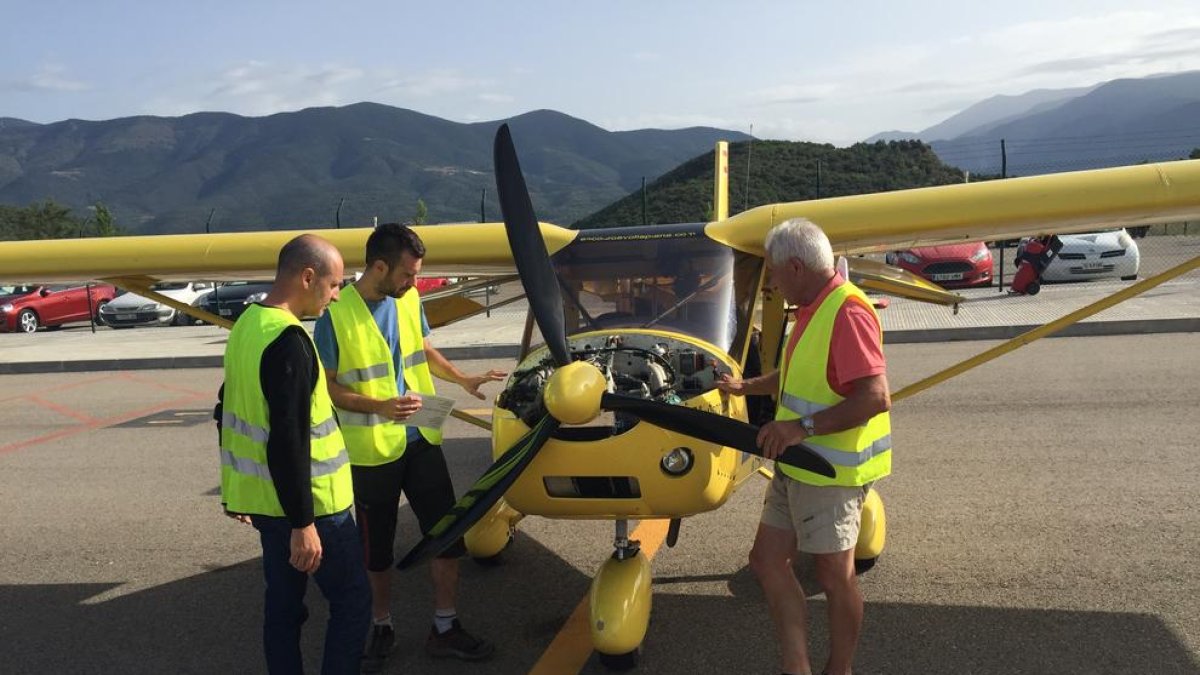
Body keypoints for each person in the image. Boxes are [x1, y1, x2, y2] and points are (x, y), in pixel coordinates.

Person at [313, 222, 506, 672]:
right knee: (375, 550)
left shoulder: (409, 300)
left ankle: (445, 626)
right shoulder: (336, 315)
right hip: (371, 451)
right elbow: (327, 386)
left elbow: (421, 349)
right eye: (407, 274)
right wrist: (380, 405)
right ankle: (381, 625)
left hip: (421, 436)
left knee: (446, 534)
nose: (413, 283)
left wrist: (462, 379)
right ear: (379, 266)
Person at [717, 218, 891, 675]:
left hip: (829, 469)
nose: (772, 283)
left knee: (836, 575)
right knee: (766, 561)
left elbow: (874, 395)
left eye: (773, 272)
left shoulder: (847, 311)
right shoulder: (814, 308)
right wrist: (746, 386)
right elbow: (796, 375)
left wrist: (800, 428)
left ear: (796, 266)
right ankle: (797, 666)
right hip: (796, 465)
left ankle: (840, 669)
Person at [217, 234, 371, 675]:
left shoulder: (248, 325)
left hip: (266, 504)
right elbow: (289, 441)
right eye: (335, 284)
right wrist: (304, 524)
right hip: (314, 507)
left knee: (283, 609)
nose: (337, 296)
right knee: (351, 601)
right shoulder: (291, 342)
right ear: (308, 277)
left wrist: (235, 493)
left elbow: (227, 408)